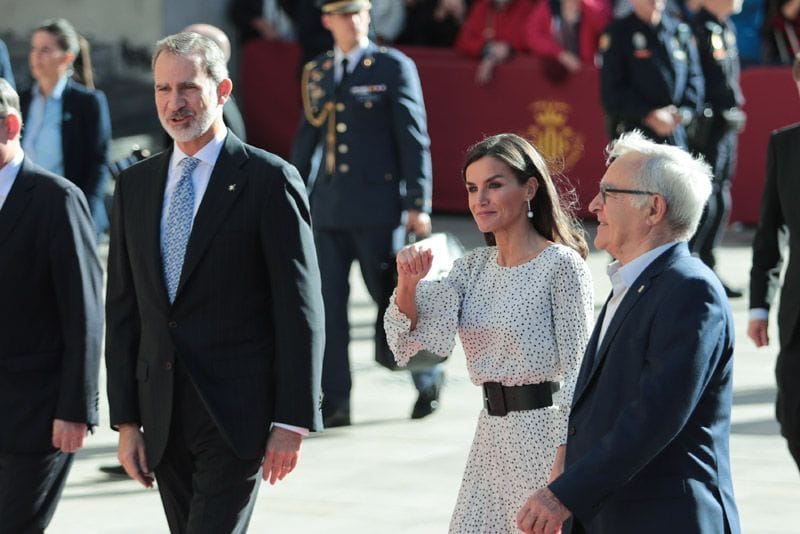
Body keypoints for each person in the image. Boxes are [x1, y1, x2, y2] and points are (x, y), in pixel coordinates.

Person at [105, 31, 324, 533]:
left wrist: (292, 420)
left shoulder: (269, 180)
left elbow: (300, 309)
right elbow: (124, 309)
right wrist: (126, 421)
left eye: (188, 88)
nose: (174, 103)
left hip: (236, 415)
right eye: (163, 89)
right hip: (161, 412)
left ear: (222, 90)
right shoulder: (135, 186)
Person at [516, 130, 740, 534]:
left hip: (667, 520)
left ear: (653, 209)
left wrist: (565, 494)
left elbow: (655, 415)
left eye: (608, 192)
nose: (593, 204)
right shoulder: (634, 281)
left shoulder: (690, 290)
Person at [386, 133, 594, 532]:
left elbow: (581, 372)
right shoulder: (469, 270)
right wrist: (408, 284)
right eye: (472, 188)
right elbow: (412, 347)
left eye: (494, 185)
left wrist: (565, 467)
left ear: (529, 188)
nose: (480, 199)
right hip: (491, 440)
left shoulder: (561, 266)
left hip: (546, 439)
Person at [291, 0, 440, 427]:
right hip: (329, 208)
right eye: (342, 15)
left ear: (368, 16)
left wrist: (418, 202)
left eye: (358, 13)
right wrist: (293, 194)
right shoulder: (319, 71)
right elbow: (308, 140)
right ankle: (335, 399)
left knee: (393, 303)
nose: (351, 22)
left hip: (379, 209)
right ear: (326, 20)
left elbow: (413, 136)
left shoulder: (391, 66)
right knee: (328, 308)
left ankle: (424, 375)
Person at [0, 77, 103, 533]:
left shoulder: (55, 199)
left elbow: (84, 313)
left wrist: (76, 408)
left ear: (10, 125)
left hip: (37, 416)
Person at [748, 54, 800, 473]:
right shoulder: (785, 146)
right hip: (797, 315)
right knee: (793, 419)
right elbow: (770, 231)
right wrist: (759, 304)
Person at [20, 18, 112, 238]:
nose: (36, 56)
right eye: (34, 49)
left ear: (67, 57)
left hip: (68, 213)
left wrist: (83, 212)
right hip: (24, 212)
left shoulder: (88, 102)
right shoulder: (21, 100)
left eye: (45, 50)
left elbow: (99, 164)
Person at [689, 0, 746, 298]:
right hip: (708, 128)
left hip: (726, 125)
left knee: (721, 195)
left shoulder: (724, 27)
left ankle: (708, 264)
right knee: (705, 197)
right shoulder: (697, 28)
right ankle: (692, 265)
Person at [600, 0, 704, 148]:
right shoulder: (618, 33)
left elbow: (695, 78)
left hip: (676, 133)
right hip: (636, 137)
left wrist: (683, 112)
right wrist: (649, 114)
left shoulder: (679, 31)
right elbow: (612, 91)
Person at [454, 0, 535, 85]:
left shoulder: (526, 6)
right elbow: (463, 41)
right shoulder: (482, 6)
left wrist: (501, 52)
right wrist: (488, 49)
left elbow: (526, 40)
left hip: (517, 78)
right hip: (482, 80)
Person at [526, 0, 611, 76]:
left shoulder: (594, 4)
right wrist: (560, 54)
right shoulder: (547, 6)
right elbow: (532, 36)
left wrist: (584, 4)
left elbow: (605, 29)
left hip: (590, 72)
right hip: (556, 76)